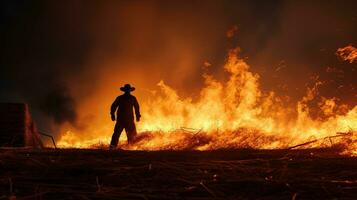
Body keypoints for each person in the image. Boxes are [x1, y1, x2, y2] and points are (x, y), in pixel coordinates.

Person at [109, 84, 141, 149]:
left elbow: (137, 108)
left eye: (128, 90)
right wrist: (112, 114)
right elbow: (113, 107)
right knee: (116, 134)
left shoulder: (130, 98)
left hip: (127, 120)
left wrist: (138, 116)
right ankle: (113, 147)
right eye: (126, 90)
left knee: (131, 135)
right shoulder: (125, 98)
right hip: (123, 120)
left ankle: (131, 147)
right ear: (125, 90)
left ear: (129, 90)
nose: (127, 91)